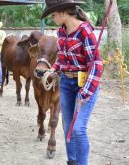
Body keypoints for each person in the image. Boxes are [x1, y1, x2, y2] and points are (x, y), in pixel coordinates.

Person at [41, 1, 103, 165]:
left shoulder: (85, 31)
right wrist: (54, 69)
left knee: (78, 129)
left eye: (53, 15)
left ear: (62, 12)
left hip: (85, 85)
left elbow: (96, 65)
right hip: (66, 83)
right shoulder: (61, 32)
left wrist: (86, 92)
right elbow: (62, 58)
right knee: (68, 127)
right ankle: (72, 161)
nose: (52, 18)